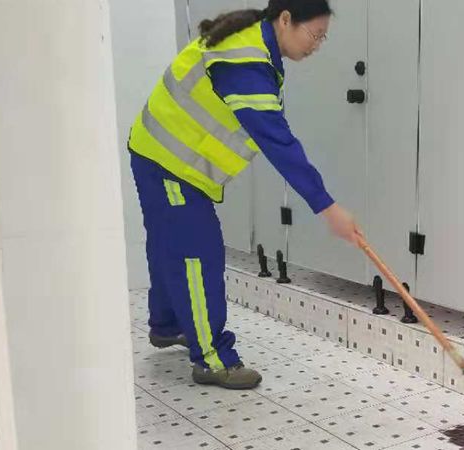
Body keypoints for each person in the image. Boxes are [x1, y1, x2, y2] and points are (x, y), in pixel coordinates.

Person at [128, 0, 361, 390]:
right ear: (285, 19)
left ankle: (168, 325)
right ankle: (213, 359)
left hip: (157, 152)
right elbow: (278, 142)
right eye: (316, 34)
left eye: (323, 38)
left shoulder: (253, 44)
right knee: (197, 254)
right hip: (169, 162)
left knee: (170, 245)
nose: (317, 45)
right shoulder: (246, 63)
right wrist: (327, 206)